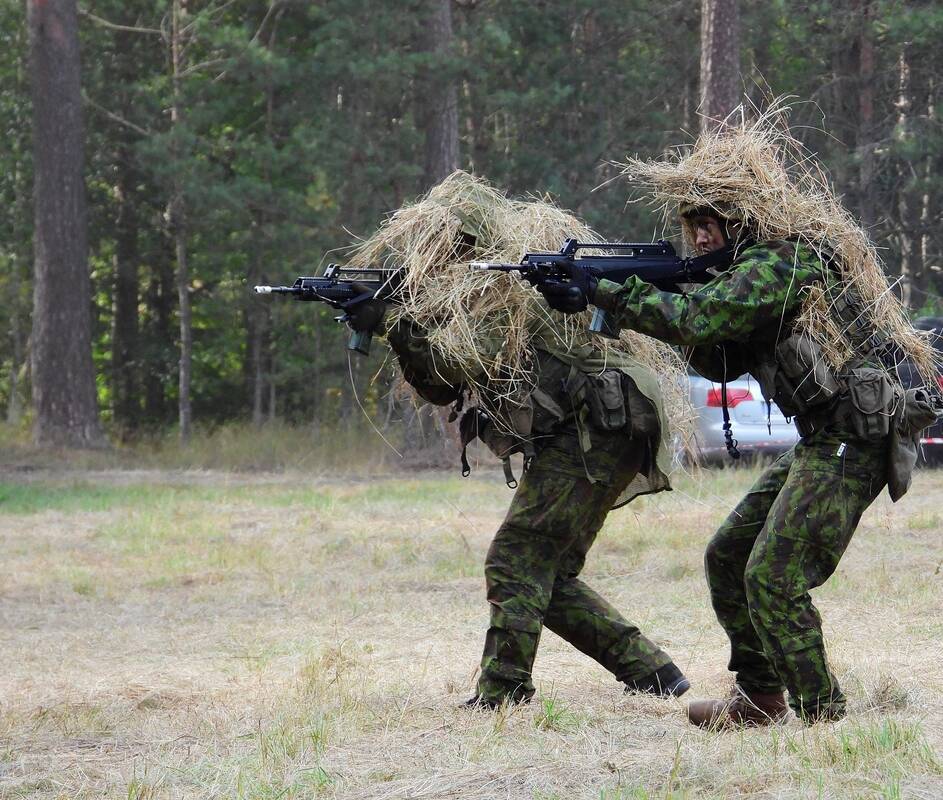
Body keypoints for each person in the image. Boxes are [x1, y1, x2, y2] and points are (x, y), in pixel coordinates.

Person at [538, 202, 910, 727]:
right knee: (728, 556)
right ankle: (761, 697)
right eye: (694, 230)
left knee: (773, 577)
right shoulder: (744, 278)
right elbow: (718, 357)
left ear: (741, 224)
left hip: (854, 437)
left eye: (709, 227)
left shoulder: (781, 262)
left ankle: (823, 714)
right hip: (822, 437)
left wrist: (606, 291)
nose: (701, 241)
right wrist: (646, 297)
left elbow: (697, 320)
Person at [343, 290, 690, 709]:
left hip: (595, 428)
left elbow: (461, 361)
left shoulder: (502, 291)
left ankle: (504, 690)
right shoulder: (477, 298)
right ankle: (653, 672)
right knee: (548, 572)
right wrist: (397, 326)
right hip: (603, 428)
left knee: (515, 559)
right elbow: (442, 385)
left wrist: (394, 322)